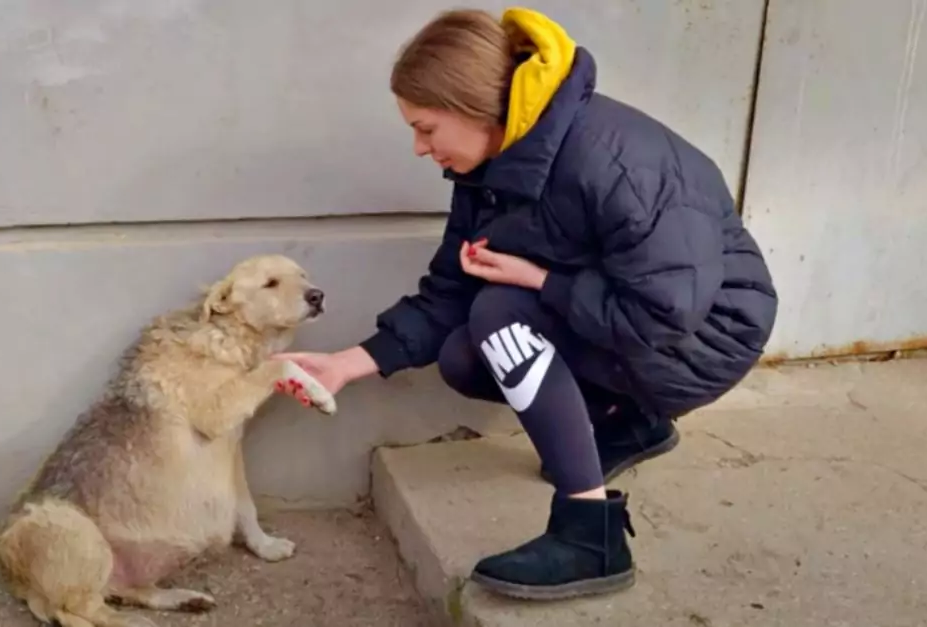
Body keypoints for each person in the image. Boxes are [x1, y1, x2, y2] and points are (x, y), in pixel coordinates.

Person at [274, 7, 777, 602]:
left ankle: (592, 536)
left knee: (499, 317)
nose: (417, 147)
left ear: (471, 107)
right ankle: (630, 423)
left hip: (704, 339)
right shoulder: (493, 169)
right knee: (467, 354)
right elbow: (449, 291)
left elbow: (663, 315)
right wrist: (348, 363)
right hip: (639, 324)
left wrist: (542, 281)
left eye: (427, 128)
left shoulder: (614, 163)